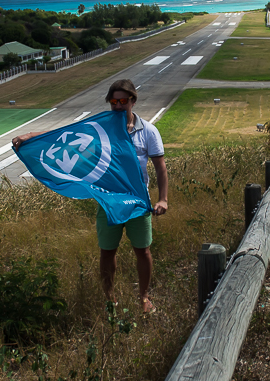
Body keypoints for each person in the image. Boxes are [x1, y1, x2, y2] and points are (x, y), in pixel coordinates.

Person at [12, 78, 168, 314]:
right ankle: (110, 300)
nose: (117, 106)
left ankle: (144, 298)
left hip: (137, 201)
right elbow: (69, 136)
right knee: (107, 251)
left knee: (143, 251)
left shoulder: (148, 131)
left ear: (132, 101)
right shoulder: (102, 128)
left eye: (122, 101)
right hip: (108, 201)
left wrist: (163, 198)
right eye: (113, 101)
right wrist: (32, 136)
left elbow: (160, 168)